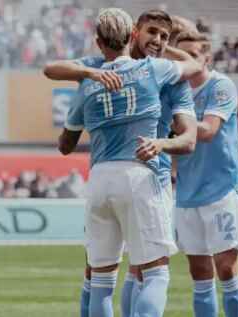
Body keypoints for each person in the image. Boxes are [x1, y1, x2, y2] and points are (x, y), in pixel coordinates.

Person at [46, 10, 199, 317]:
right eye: (151, 32)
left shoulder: (89, 77)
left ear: (98, 41)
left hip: (100, 177)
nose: (156, 40)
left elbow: (65, 143)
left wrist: (89, 80)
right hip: (141, 176)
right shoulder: (156, 70)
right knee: (154, 272)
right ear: (134, 33)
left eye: (164, 36)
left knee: (102, 277)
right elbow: (196, 66)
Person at [174, 31, 238, 317]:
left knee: (227, 269)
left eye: (192, 54)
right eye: (180, 55)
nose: (186, 60)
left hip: (221, 190)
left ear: (207, 57)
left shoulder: (221, 85)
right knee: (200, 274)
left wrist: (170, 120)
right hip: (187, 192)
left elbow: (208, 130)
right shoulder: (174, 90)